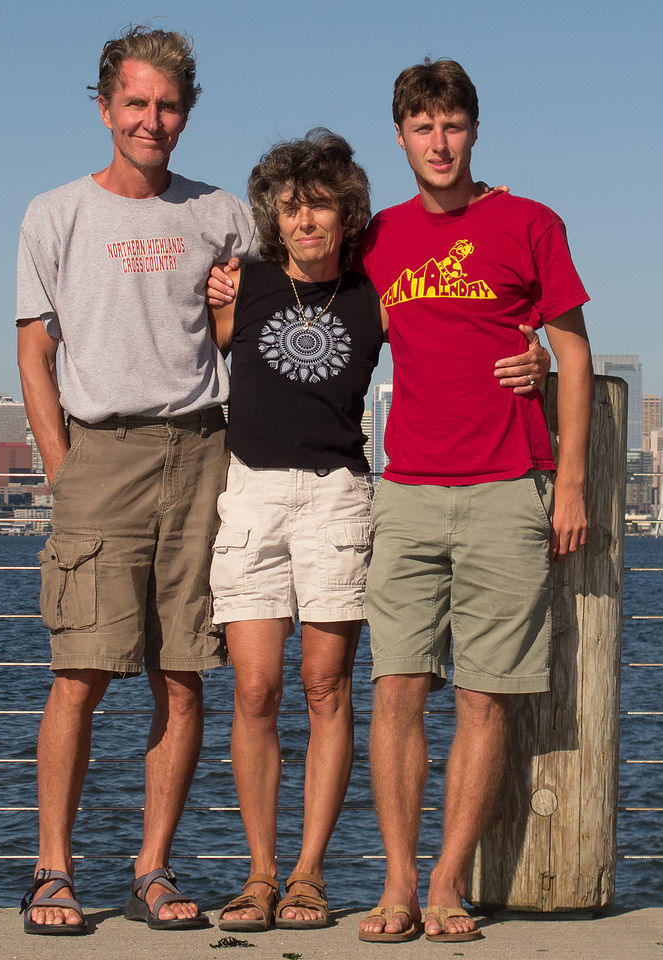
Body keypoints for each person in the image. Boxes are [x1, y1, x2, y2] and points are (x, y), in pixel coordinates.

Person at [205, 130, 549, 932]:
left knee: (327, 688)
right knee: (255, 688)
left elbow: (457, 334)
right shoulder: (240, 288)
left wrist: (534, 359)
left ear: (345, 211)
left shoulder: (374, 293)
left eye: (320, 204)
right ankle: (259, 873)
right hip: (250, 495)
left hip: (339, 496)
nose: (306, 221)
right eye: (291, 208)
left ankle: (309, 876)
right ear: (273, 217)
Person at [14, 25, 255, 935]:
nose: (152, 120)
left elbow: (239, 341)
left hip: (202, 453)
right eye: (137, 103)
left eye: (168, 105)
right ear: (106, 105)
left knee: (184, 672)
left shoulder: (222, 213)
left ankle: (153, 869)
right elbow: (36, 352)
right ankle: (51, 871)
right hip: (98, 458)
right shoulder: (55, 213)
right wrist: (61, 466)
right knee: (79, 671)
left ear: (187, 112)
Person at [354, 58, 594, 944]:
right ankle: (396, 883)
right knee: (397, 693)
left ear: (475, 130)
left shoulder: (530, 223)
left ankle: (449, 884)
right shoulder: (377, 238)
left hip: (508, 491)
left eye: (452, 125)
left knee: (486, 699)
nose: (439, 142)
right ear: (401, 137)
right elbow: (312, 307)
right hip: (408, 493)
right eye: (423, 128)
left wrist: (569, 485)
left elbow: (575, 356)